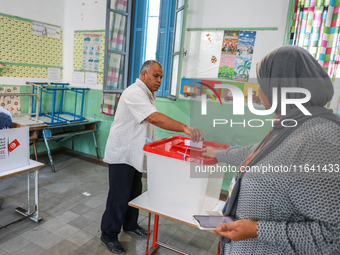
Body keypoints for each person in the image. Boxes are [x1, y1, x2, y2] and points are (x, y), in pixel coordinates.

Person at [202, 45, 340, 254]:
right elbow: (260, 152)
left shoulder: (319, 140)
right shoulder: (295, 123)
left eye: (261, 83)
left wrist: (257, 230)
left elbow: (333, 236)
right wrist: (218, 154)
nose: (258, 91)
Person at [100, 60, 204, 254]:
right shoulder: (133, 92)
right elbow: (153, 117)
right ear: (143, 75)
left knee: (135, 193)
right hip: (122, 154)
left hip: (135, 153)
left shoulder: (149, 94)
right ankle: (108, 235)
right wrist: (184, 127)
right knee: (118, 198)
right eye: (155, 76)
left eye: (161, 77)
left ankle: (130, 225)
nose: (159, 80)